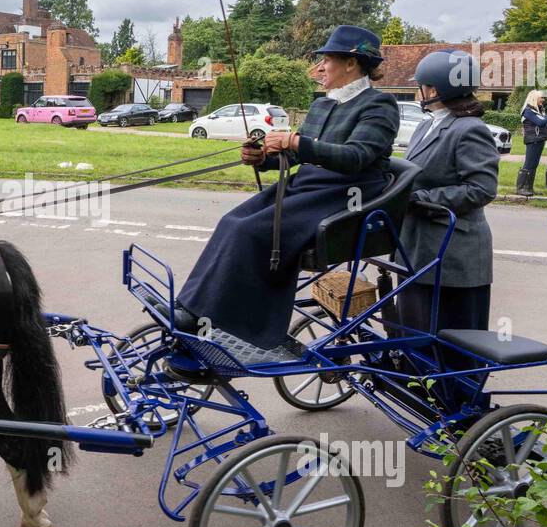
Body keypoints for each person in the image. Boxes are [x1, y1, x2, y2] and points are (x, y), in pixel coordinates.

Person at [169, 25, 400, 361]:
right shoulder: (323, 105)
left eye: (326, 60)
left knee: (250, 231)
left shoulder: (379, 105)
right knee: (231, 220)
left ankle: (227, 324)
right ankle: (190, 307)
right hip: (307, 185)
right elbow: (296, 155)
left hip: (345, 192)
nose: (320, 68)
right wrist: (264, 158)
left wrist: (296, 142)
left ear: (351, 63)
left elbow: (358, 156)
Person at [394, 50, 499, 365]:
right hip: (417, 245)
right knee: (416, 326)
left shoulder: (469, 129)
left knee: (452, 336)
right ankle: (420, 389)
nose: (418, 90)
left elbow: (481, 189)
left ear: (434, 90)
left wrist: (418, 198)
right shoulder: (426, 126)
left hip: (454, 252)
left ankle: (456, 398)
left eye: (421, 85)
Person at [515, 89, 547, 195]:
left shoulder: (538, 111)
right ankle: (520, 188)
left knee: (534, 164)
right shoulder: (528, 111)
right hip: (533, 140)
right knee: (528, 164)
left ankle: (529, 188)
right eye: (542, 98)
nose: (543, 100)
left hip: (539, 139)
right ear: (535, 98)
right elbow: (540, 123)